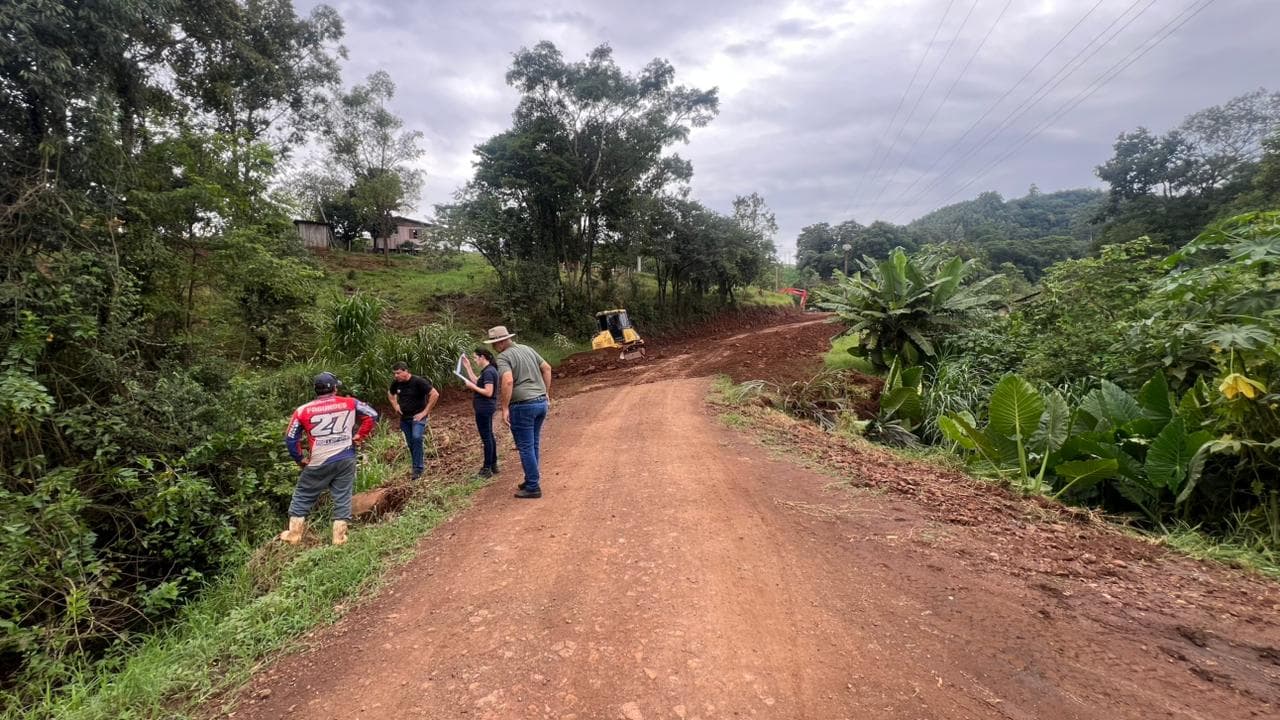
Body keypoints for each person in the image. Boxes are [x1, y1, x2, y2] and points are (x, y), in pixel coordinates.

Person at [280, 372, 377, 546]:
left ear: (316, 390)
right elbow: (371, 415)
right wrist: (359, 436)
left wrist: (300, 458)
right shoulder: (350, 403)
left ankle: (294, 535)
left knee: (303, 494)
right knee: (343, 495)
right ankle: (339, 538)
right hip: (346, 456)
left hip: (319, 459)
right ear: (334, 388)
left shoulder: (302, 410)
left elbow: (290, 438)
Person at [483, 325, 552, 499]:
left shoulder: (504, 357)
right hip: (540, 402)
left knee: (525, 446)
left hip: (523, 406)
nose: (493, 347)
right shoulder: (527, 349)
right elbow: (547, 368)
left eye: (494, 344)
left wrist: (505, 407)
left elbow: (507, 381)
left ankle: (533, 486)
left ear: (500, 343)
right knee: (533, 443)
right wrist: (545, 392)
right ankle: (531, 478)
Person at [388, 361, 438, 480]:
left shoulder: (418, 382)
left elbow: (435, 394)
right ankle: (416, 465)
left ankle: (418, 469)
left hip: (418, 417)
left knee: (417, 437)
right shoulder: (396, 383)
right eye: (394, 373)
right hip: (405, 418)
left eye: (398, 373)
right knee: (411, 443)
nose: (396, 376)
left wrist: (425, 412)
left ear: (406, 371)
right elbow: (390, 394)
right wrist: (396, 406)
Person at [461, 347, 500, 477]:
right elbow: (477, 381)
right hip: (486, 407)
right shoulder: (488, 371)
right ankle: (493, 464)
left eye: (475, 358)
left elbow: (488, 392)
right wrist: (467, 367)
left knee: (486, 437)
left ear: (482, 357)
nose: (475, 360)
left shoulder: (488, 372)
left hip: (484, 408)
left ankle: (487, 468)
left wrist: (472, 387)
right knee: (489, 435)